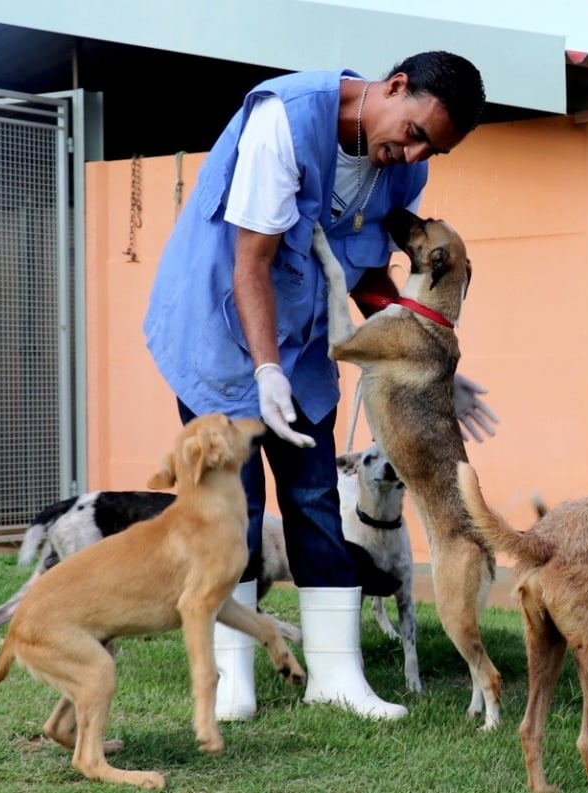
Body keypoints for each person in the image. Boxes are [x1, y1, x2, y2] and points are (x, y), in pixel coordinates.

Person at [143, 51, 494, 722]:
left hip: (301, 342)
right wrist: (263, 371)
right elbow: (253, 261)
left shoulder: (401, 166)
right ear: (394, 87)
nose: (412, 153)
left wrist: (421, 350)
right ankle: (228, 676)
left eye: (432, 150)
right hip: (218, 328)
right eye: (415, 131)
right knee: (234, 509)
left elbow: (363, 270)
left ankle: (336, 674)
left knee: (312, 498)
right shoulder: (284, 121)